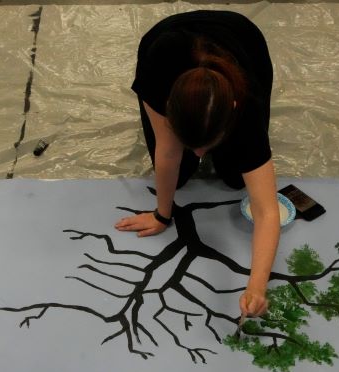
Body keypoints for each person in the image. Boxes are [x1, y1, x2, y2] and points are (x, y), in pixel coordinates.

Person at [115, 10, 279, 318]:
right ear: (169, 111)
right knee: (177, 177)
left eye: (207, 144)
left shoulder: (247, 106)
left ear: (232, 111)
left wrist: (256, 286)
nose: (201, 153)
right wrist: (162, 215)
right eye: (192, 143)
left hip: (244, 40)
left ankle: (210, 138)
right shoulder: (158, 78)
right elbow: (167, 152)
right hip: (165, 41)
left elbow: (267, 209)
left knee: (235, 178)